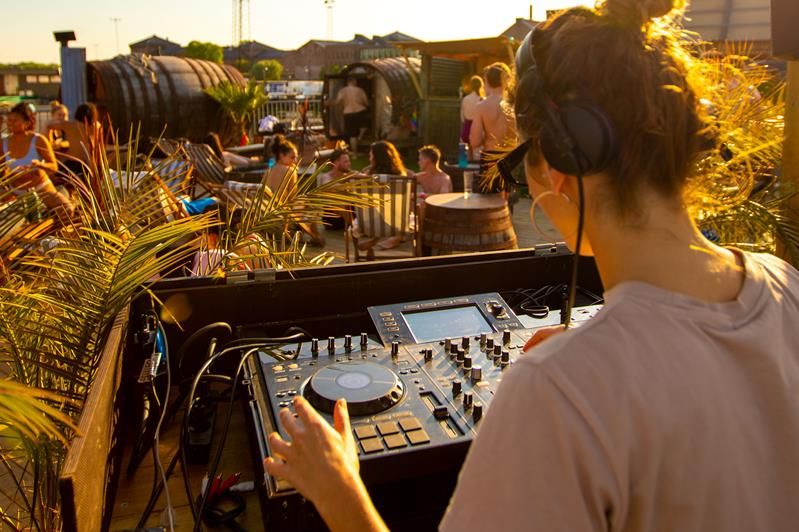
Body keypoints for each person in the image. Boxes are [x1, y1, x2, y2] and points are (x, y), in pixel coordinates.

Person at [261, 2, 799, 531]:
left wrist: (338, 489)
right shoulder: (787, 285)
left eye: (523, 162)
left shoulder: (554, 392)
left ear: (563, 162)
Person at [1, 103, 73, 220]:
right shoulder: (3, 143)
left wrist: (40, 165)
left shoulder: (38, 140)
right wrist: (6, 181)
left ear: (27, 123)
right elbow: (2, 169)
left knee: (67, 209)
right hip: (16, 193)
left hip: (41, 188)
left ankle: (53, 233)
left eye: (15, 120)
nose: (10, 124)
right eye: (9, 120)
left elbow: (54, 167)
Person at [264, 135, 325, 246]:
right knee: (310, 204)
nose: (295, 160)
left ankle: (312, 236)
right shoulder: (290, 171)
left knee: (304, 202)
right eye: (292, 157)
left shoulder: (269, 170)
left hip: (266, 218)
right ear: (282, 155)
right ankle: (315, 236)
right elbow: (292, 199)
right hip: (282, 220)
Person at [469, 62, 517, 192]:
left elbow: (474, 141)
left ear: (487, 81)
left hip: (490, 159)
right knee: (506, 206)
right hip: (509, 159)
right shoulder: (514, 106)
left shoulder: (482, 107)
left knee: (488, 207)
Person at [330, 78, 369, 154]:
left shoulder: (343, 91)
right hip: (360, 111)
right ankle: (360, 136)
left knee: (352, 135)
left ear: (348, 83)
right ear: (354, 81)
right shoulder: (360, 90)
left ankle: (354, 154)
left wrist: (329, 103)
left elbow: (337, 102)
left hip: (348, 113)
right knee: (364, 126)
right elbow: (366, 102)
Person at [460, 75, 484, 144]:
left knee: (468, 152)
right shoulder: (482, 100)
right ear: (480, 86)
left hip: (466, 128)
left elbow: (462, 118)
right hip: (478, 129)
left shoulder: (465, 99)